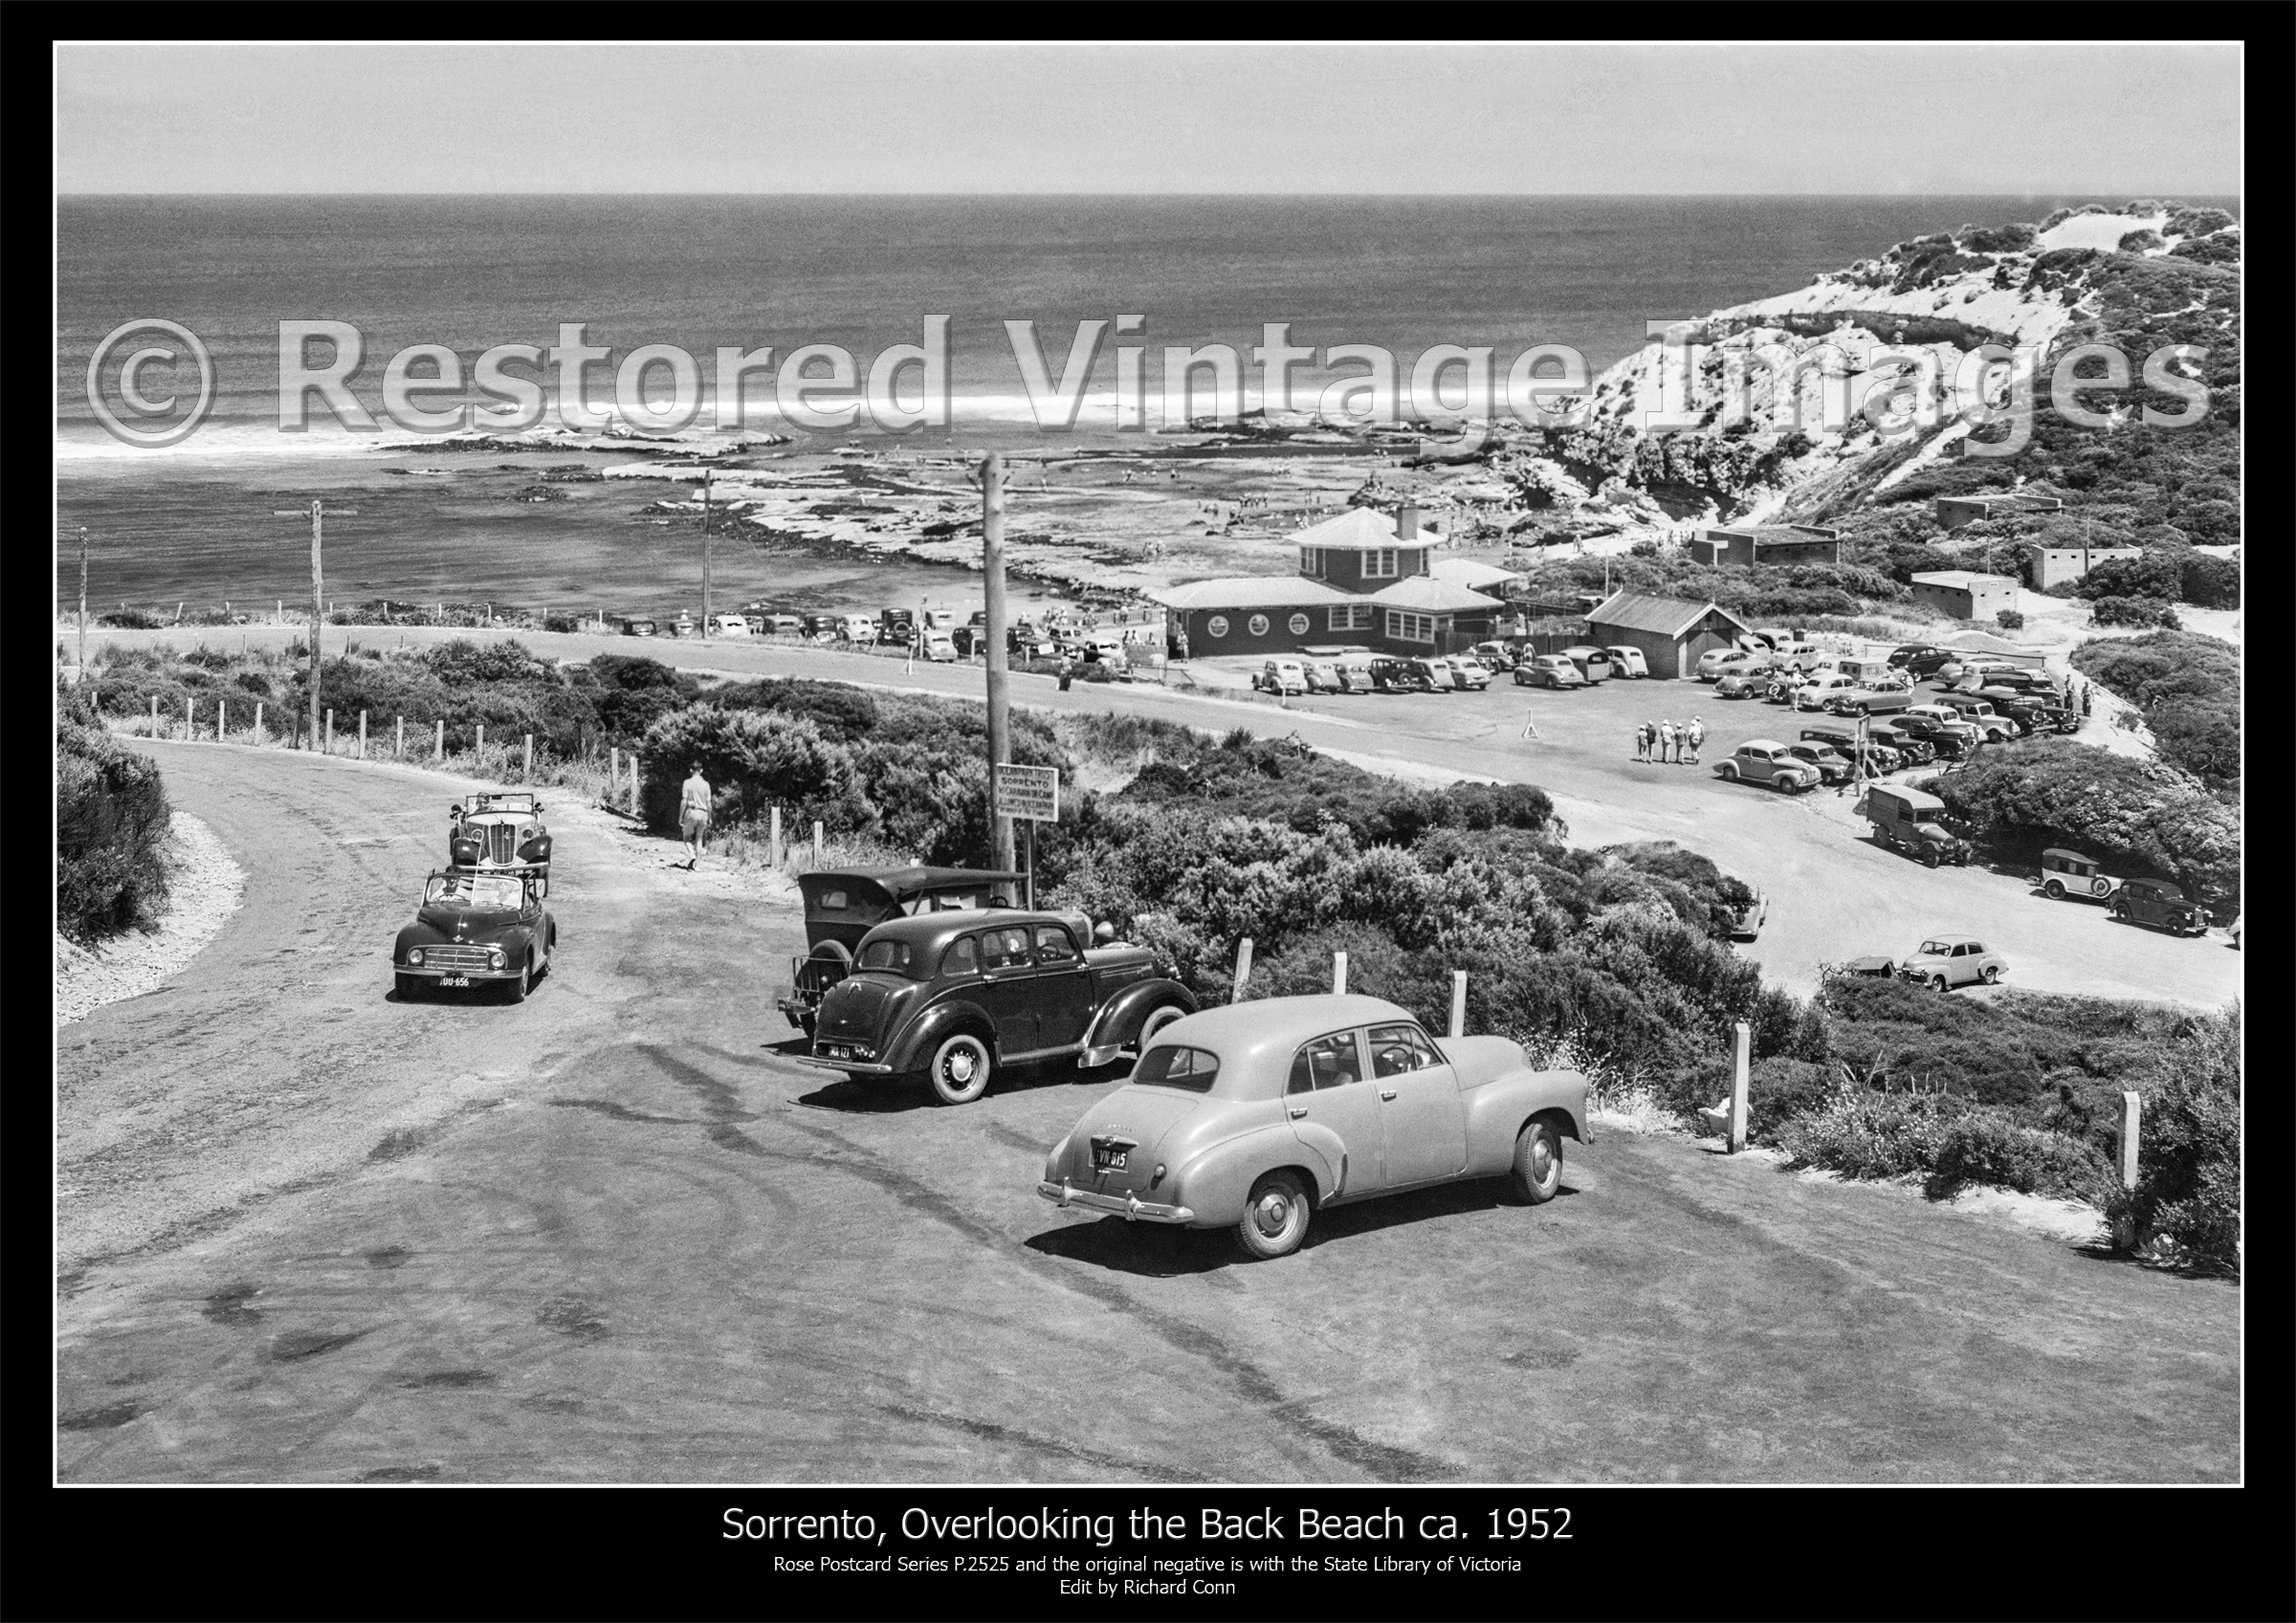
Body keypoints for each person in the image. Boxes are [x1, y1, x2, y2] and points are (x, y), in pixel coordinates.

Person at [679, 763, 713, 869]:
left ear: (691, 770)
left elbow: (684, 801)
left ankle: (692, 854)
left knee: (686, 837)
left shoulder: (687, 783)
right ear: (701, 770)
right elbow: (709, 803)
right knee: (699, 838)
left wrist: (680, 816)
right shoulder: (706, 784)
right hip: (703, 813)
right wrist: (710, 817)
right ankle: (697, 865)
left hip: (692, 812)